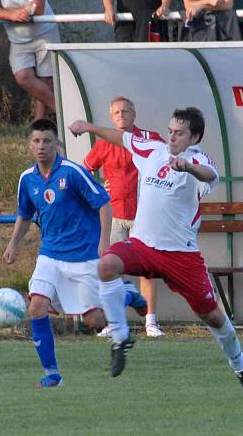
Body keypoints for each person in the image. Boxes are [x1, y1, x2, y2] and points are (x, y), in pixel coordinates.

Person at [68, 108, 243, 399]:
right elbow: (121, 137)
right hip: (143, 245)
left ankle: (241, 366)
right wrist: (88, 126)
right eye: (170, 130)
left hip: (180, 256)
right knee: (106, 265)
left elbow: (210, 175)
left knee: (215, 319)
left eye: (179, 132)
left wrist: (187, 167)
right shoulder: (153, 150)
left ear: (194, 137)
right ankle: (120, 338)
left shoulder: (197, 159)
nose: (172, 136)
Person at [3, 119, 146, 388]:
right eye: (36, 141)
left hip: (83, 255)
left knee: (94, 321)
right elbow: (24, 214)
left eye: (47, 141)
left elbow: (104, 203)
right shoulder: (27, 178)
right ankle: (52, 374)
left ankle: (126, 293)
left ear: (56, 144)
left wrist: (104, 240)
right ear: (29, 144)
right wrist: (13, 244)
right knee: (36, 308)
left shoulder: (72, 172)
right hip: (50, 254)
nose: (41, 146)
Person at [83, 96, 164, 337]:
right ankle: (114, 323)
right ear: (111, 117)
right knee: (112, 269)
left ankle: (150, 322)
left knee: (147, 269)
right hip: (115, 215)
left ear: (134, 114)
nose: (121, 115)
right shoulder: (103, 143)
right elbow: (84, 172)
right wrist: (99, 188)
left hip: (144, 216)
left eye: (126, 111)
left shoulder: (150, 139)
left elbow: (166, 165)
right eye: (117, 112)